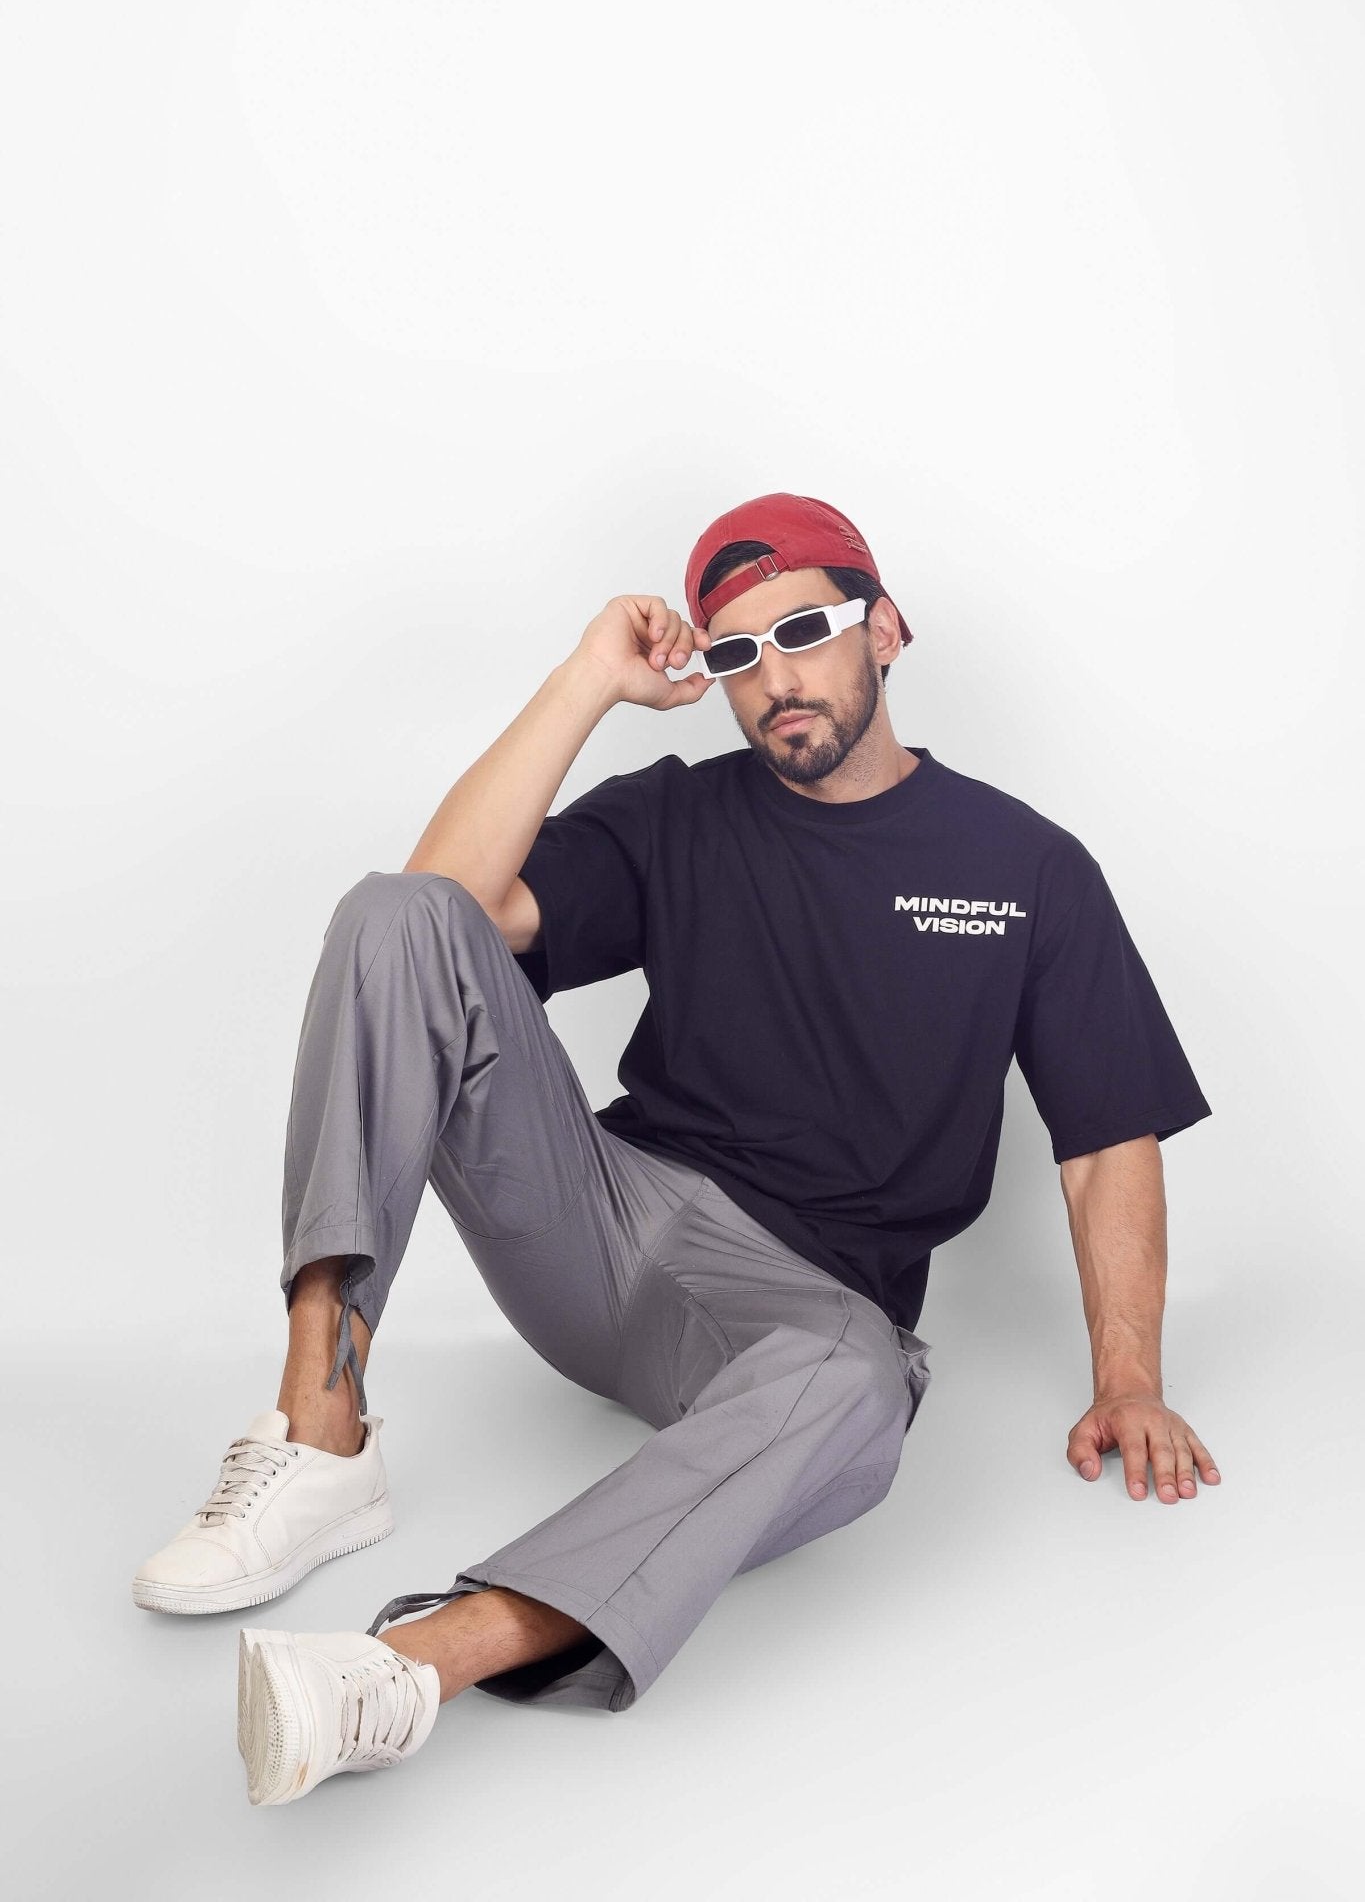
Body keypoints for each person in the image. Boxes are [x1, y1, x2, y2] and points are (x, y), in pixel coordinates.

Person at [133, 491, 1218, 1806]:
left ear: (885, 631)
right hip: (599, 1226)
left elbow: (1107, 1136)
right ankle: (320, 1437)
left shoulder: (1025, 866)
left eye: (804, 631)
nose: (771, 678)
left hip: (801, 1315)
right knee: (396, 912)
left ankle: (399, 1671)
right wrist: (590, 676)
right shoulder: (679, 814)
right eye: (733, 654)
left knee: (864, 1392)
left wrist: (1129, 1376)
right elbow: (439, 921)